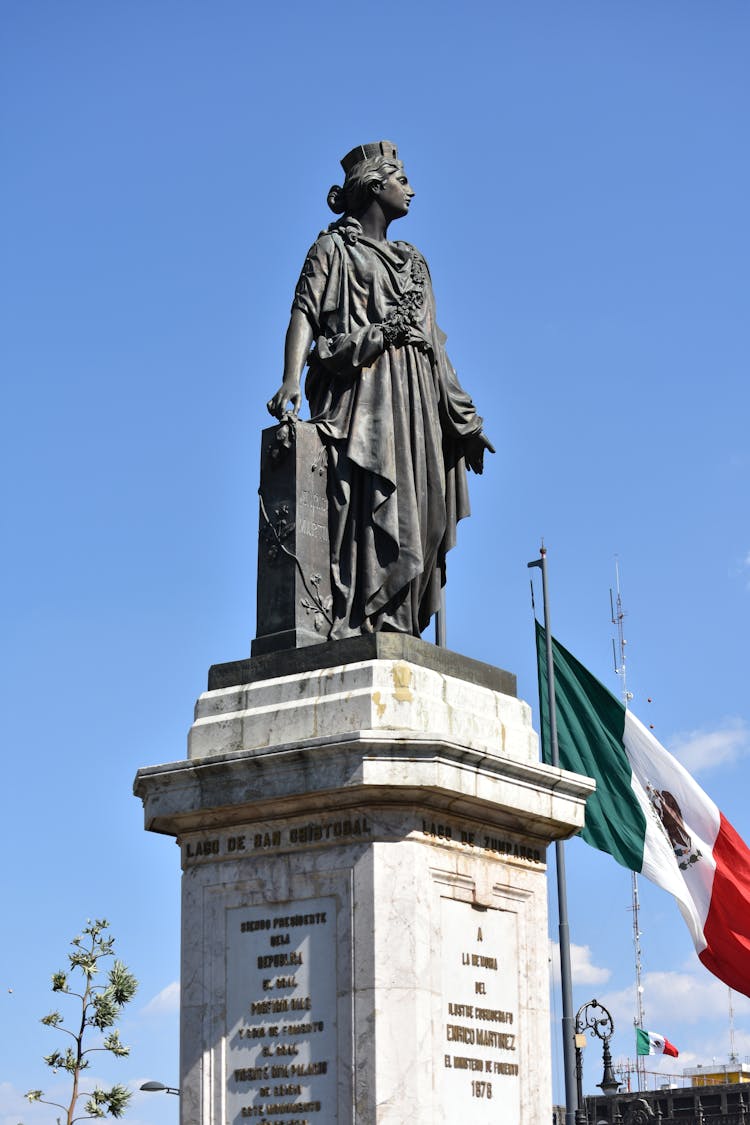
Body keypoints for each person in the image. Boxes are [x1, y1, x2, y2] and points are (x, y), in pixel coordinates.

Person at [267, 140, 494, 640]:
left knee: (425, 518)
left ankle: (402, 621)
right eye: (402, 179)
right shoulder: (333, 249)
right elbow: (304, 312)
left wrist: (463, 417)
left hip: (414, 400)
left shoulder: (415, 261)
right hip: (362, 395)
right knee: (366, 508)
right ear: (375, 185)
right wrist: (289, 378)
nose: (411, 190)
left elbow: (434, 342)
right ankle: (364, 618)